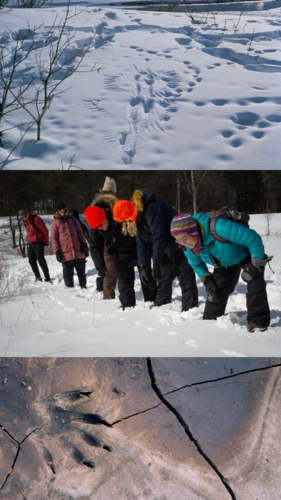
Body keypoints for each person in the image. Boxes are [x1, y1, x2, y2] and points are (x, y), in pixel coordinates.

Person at [170, 213, 271, 332]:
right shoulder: (187, 246)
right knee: (215, 292)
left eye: (185, 238)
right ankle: (209, 323)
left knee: (255, 282)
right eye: (178, 241)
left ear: (194, 232)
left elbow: (253, 238)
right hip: (224, 263)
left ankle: (258, 323)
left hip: (247, 253)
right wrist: (207, 280)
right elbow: (196, 264)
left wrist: (256, 264)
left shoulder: (218, 227)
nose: (182, 243)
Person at [112, 191, 198, 312]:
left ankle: (190, 312)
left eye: (124, 220)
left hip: (181, 243)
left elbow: (158, 236)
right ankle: (162, 310)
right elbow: (141, 243)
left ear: (127, 214)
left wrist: (156, 262)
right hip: (165, 249)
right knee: (163, 280)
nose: (125, 223)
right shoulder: (138, 219)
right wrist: (143, 266)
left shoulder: (151, 209)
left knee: (186, 278)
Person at [85, 192, 157, 310]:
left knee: (146, 276)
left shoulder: (119, 212)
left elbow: (138, 229)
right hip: (117, 253)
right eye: (97, 228)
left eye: (101, 225)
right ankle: (127, 307)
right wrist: (100, 267)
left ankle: (152, 302)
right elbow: (94, 246)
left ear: (104, 216)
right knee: (124, 281)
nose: (100, 228)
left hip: (136, 249)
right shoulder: (95, 224)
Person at [92, 176, 118, 299]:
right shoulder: (97, 210)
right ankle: (107, 299)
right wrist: (99, 266)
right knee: (109, 270)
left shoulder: (114, 207)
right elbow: (95, 243)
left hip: (113, 241)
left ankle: (108, 294)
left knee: (110, 269)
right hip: (109, 242)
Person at [51, 202, 87, 289]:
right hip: (65, 253)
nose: (62, 210)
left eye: (63, 208)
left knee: (81, 272)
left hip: (78, 250)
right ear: (57, 211)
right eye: (60, 209)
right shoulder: (55, 224)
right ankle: (70, 292)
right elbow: (54, 239)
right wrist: (57, 251)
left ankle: (84, 287)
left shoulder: (73, 219)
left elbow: (80, 232)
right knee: (68, 274)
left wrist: (83, 243)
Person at [18, 207, 51, 283]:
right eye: (22, 216)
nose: (24, 217)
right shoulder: (24, 221)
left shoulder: (36, 219)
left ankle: (47, 278)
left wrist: (46, 241)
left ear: (28, 213)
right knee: (31, 260)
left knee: (41, 260)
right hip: (31, 242)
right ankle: (38, 277)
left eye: (25, 215)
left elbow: (45, 230)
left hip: (39, 241)